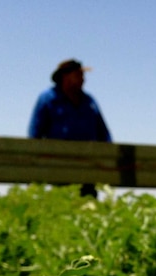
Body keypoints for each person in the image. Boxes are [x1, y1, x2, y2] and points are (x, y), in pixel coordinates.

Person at [28, 59, 111, 196]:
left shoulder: (89, 101)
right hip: (59, 168)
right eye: (79, 75)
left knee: (89, 210)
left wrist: (108, 161)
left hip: (88, 169)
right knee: (62, 208)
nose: (83, 79)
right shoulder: (48, 99)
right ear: (65, 76)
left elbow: (104, 134)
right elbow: (35, 134)